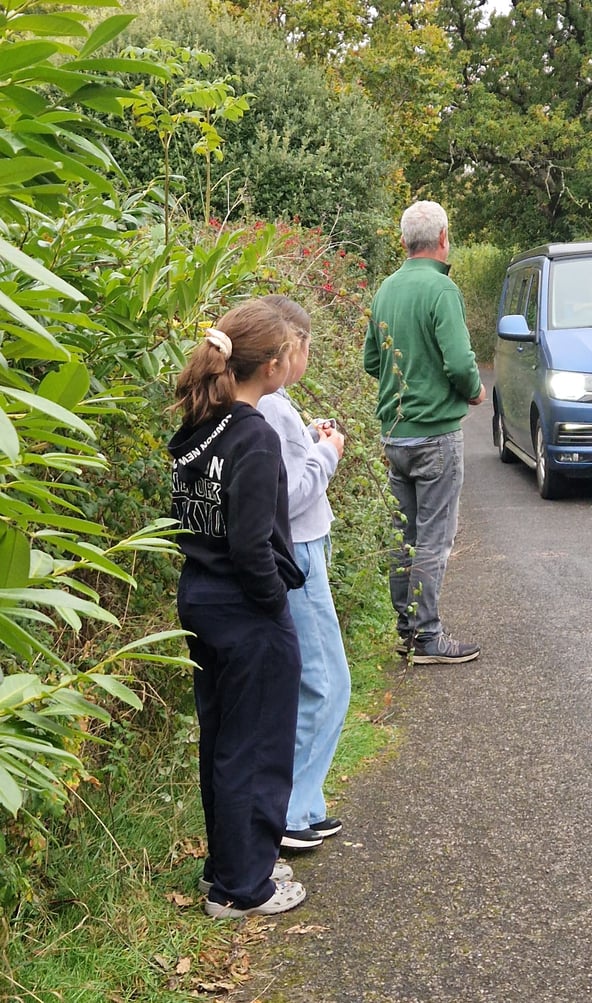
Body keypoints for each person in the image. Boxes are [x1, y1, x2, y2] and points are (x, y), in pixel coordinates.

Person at [168, 299, 307, 919]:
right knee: (256, 748)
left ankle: (224, 868)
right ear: (273, 366)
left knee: (223, 740)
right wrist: (277, 607)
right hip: (248, 611)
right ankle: (243, 888)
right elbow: (253, 545)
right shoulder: (255, 437)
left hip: (200, 596)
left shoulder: (200, 423)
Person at [363, 200, 486, 664]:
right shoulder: (441, 289)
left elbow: (372, 361)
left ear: (402, 243)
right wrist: (472, 390)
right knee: (435, 537)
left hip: (395, 435)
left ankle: (407, 630)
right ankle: (429, 636)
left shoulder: (385, 290)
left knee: (405, 536)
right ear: (443, 238)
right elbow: (458, 361)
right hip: (436, 434)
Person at [257, 295, 351, 852]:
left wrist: (312, 443)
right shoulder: (268, 408)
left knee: (314, 679)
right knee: (327, 682)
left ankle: (303, 805)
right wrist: (329, 454)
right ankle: (291, 813)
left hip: (307, 549)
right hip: (300, 554)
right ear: (289, 349)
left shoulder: (274, 401)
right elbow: (285, 497)